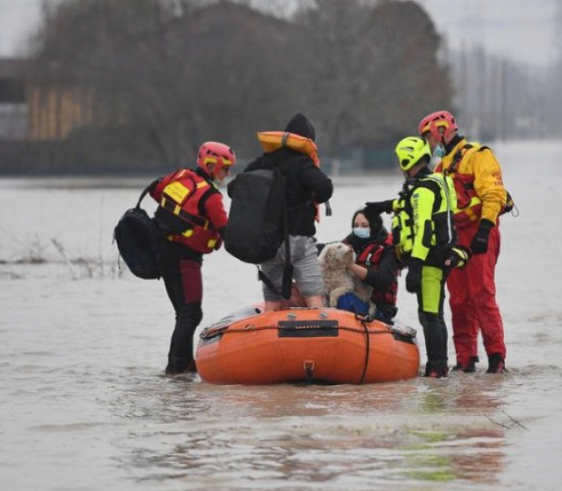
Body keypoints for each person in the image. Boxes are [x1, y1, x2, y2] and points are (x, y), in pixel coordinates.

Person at [366, 137, 469, 378]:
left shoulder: (421, 190)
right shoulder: (437, 181)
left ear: (406, 160)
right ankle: (440, 365)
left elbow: (424, 228)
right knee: (434, 314)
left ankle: (436, 369)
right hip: (439, 257)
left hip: (428, 261)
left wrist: (415, 267)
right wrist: (384, 205)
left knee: (429, 316)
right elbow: (413, 205)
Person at [419, 110, 508, 373]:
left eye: (429, 137)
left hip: (480, 231)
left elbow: (493, 195)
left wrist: (484, 229)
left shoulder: (478, 156)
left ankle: (496, 357)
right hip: (454, 235)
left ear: (441, 131)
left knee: (482, 295)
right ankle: (466, 358)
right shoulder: (440, 166)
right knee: (458, 299)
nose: (429, 144)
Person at [149, 141, 234, 374]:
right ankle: (176, 368)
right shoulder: (211, 196)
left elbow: (156, 191)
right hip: (186, 259)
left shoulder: (180, 176)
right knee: (191, 313)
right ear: (211, 164)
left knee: (183, 313)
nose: (227, 174)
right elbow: (227, 232)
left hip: (163, 254)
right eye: (225, 168)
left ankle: (184, 366)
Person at [243, 114, 334, 311]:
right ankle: (319, 333)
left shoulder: (265, 161)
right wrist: (310, 199)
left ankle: (269, 333)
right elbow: (325, 187)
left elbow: (236, 188)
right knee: (313, 296)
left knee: (273, 299)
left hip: (270, 242)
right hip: (300, 241)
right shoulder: (303, 163)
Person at [338, 209, 400, 324]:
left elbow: (384, 280)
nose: (359, 229)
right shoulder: (350, 243)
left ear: (374, 226)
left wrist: (351, 266)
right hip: (357, 297)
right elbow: (329, 248)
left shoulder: (388, 249)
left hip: (379, 307)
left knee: (342, 297)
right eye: (356, 225)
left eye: (364, 225)